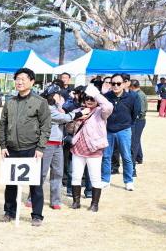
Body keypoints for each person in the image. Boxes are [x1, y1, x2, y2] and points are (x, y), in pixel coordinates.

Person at [0, 68, 50, 225]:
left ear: (32, 82)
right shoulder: (10, 102)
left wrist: (40, 148)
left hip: (31, 149)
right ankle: (9, 212)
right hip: (11, 149)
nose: (19, 82)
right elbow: (3, 124)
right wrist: (3, 145)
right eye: (17, 79)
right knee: (10, 183)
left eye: (23, 79)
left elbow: (46, 126)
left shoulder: (40, 102)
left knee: (35, 185)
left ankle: (37, 215)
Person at [68, 83, 114, 211]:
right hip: (78, 148)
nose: (89, 100)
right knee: (76, 176)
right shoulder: (78, 111)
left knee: (95, 177)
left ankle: (94, 204)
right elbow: (69, 128)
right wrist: (77, 119)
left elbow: (108, 106)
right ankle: (76, 202)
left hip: (94, 149)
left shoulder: (101, 112)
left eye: (92, 98)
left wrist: (96, 94)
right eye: (87, 98)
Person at [102, 74, 139, 190]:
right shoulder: (106, 97)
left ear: (124, 84)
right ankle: (105, 179)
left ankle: (128, 181)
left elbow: (135, 113)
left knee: (126, 156)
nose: (116, 86)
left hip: (124, 130)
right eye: (113, 83)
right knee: (106, 156)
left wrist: (127, 124)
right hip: (108, 130)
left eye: (118, 83)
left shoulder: (132, 97)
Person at [41, 92, 75, 210]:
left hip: (59, 145)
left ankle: (55, 200)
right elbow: (64, 118)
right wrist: (78, 113)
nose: (59, 99)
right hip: (47, 144)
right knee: (42, 173)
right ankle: (32, 198)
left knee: (58, 173)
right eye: (57, 97)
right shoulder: (48, 109)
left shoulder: (58, 109)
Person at [129, 80, 148, 167]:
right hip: (140, 120)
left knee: (134, 140)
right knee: (136, 139)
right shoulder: (140, 93)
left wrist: (135, 117)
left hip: (138, 120)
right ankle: (139, 157)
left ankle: (133, 159)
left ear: (132, 87)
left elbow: (141, 110)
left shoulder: (138, 95)